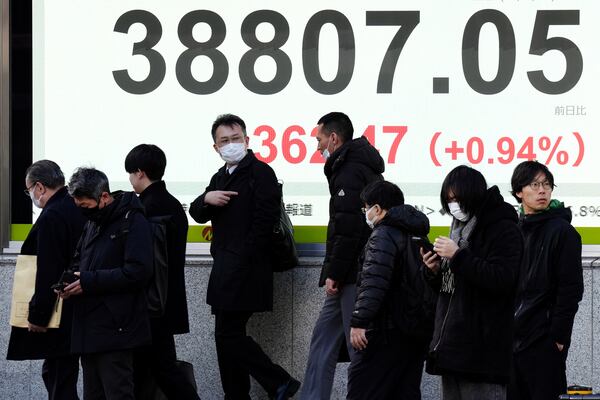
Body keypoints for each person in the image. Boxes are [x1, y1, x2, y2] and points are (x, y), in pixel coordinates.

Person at [189, 114, 300, 400]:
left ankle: (279, 380)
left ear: (247, 140)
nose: (231, 145)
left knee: (229, 334)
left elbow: (264, 222)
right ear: (215, 147)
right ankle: (238, 394)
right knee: (224, 336)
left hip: (246, 268)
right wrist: (206, 199)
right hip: (225, 267)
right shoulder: (219, 177)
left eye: (235, 139)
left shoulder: (261, 172)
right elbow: (197, 212)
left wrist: (244, 258)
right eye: (224, 141)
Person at [301, 112, 384, 400]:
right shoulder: (353, 166)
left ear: (333, 138)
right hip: (347, 271)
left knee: (357, 344)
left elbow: (349, 230)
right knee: (322, 341)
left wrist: (334, 273)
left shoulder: (348, 170)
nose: (318, 146)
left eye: (319, 139)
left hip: (352, 273)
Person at [421, 165, 523, 400]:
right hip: (453, 349)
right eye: (449, 201)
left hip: (483, 353)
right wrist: (436, 271)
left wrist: (458, 256)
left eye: (457, 199)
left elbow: (503, 279)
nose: (454, 206)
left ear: (473, 194)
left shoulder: (502, 227)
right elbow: (450, 288)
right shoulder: (458, 229)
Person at [60, 167, 153, 400]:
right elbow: (80, 259)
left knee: (117, 393)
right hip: (88, 326)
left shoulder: (132, 220)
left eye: (86, 206)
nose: (83, 213)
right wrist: (67, 281)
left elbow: (139, 272)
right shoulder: (93, 222)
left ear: (103, 196)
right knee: (93, 394)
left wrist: (89, 281)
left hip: (117, 327)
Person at [125, 144, 200, 399]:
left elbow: (146, 260)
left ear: (140, 172)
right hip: (165, 300)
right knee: (151, 368)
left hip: (152, 302)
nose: (131, 180)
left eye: (131, 173)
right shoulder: (171, 204)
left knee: (162, 369)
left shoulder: (147, 208)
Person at [7, 160, 86, 400]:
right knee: (60, 373)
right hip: (78, 305)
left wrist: (37, 315)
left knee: (58, 376)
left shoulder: (53, 215)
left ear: (40, 187)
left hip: (60, 309)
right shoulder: (75, 207)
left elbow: (48, 270)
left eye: (29, 189)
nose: (30, 194)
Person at [346, 181, 433, 400]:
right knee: (405, 392)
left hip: (386, 332)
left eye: (366, 208)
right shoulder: (418, 235)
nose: (365, 213)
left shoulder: (384, 234)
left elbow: (374, 281)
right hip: (414, 331)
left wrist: (359, 321)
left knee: (362, 391)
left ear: (378, 208)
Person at [508, 161, 584, 400]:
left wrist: (559, 338)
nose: (542, 190)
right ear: (519, 192)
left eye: (547, 185)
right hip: (510, 340)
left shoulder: (563, 231)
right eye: (535, 184)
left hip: (543, 340)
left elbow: (570, 290)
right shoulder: (512, 230)